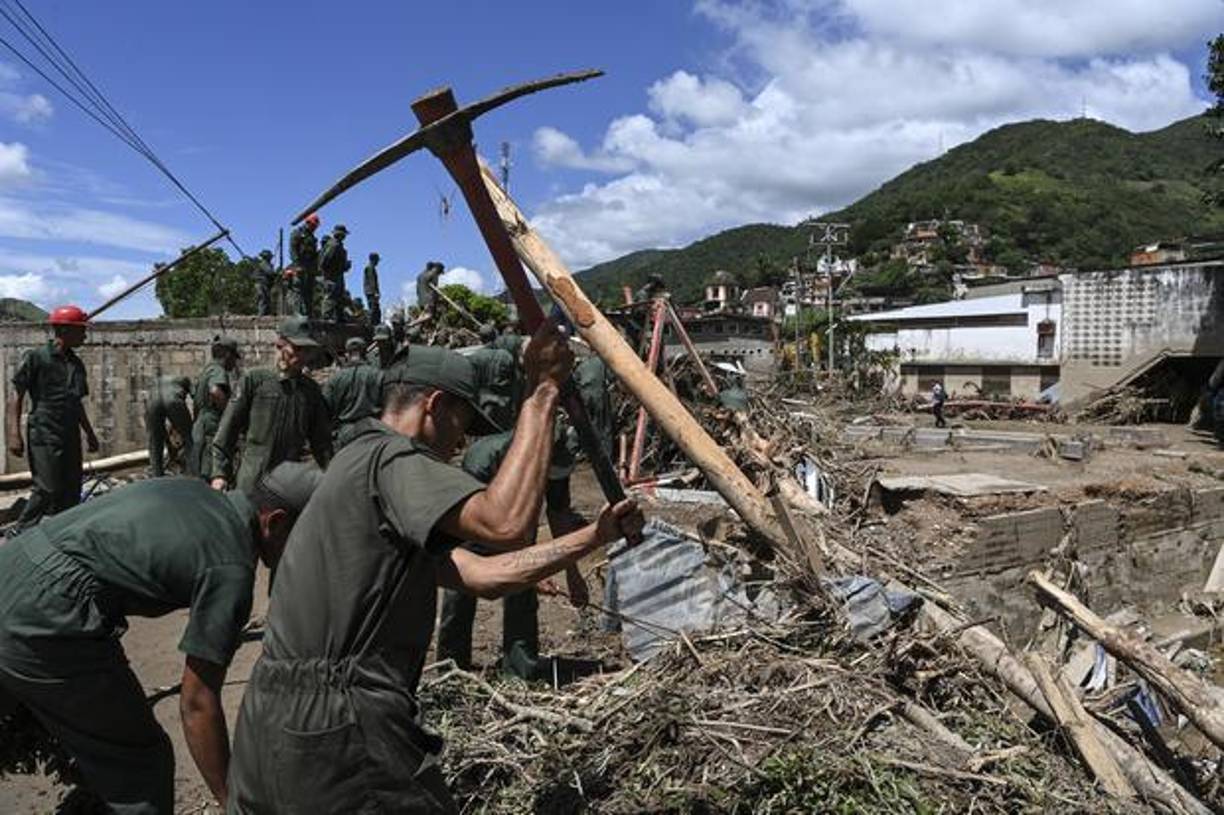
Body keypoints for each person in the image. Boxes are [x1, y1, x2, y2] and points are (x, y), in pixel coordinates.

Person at [226, 326, 645, 813]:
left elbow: (484, 576)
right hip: (338, 726)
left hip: (267, 724)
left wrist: (594, 536)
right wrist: (543, 392)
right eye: (461, 425)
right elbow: (506, 522)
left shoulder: (355, 470)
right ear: (434, 406)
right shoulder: (391, 457)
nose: (458, 446)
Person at [0, 463, 321, 814]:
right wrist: (233, 802)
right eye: (308, 538)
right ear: (274, 522)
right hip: (47, 617)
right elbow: (197, 702)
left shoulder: (194, 491)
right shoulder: (231, 568)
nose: (308, 553)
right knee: (141, 764)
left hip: (13, 569)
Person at [210, 316, 333, 495]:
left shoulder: (310, 391)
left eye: (306, 350)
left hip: (287, 485)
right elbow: (228, 430)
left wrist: (333, 476)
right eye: (297, 349)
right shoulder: (255, 380)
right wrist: (219, 475)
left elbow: (322, 444)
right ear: (280, 345)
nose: (302, 356)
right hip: (252, 480)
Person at [5, 305, 99, 529]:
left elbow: (76, 403)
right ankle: (21, 531)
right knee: (47, 487)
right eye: (81, 330)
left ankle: (62, 534)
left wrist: (90, 434)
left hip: (69, 432)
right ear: (65, 331)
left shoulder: (76, 364)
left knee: (71, 487)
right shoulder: (37, 358)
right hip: (45, 431)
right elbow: (16, 396)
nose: (85, 335)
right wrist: (13, 434)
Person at [192, 337, 241, 483]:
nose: (234, 362)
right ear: (227, 354)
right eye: (234, 357)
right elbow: (214, 390)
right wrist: (229, 413)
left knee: (202, 468)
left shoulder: (207, 369)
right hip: (211, 423)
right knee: (213, 470)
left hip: (202, 423)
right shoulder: (218, 370)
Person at [323, 337, 383, 449]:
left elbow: (324, 410)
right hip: (373, 432)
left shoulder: (335, 379)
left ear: (347, 354)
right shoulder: (379, 375)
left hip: (345, 435)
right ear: (365, 353)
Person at [146, 374, 194, 477]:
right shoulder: (187, 380)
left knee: (155, 441)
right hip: (173, 400)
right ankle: (192, 474)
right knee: (190, 438)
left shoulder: (157, 381)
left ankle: (156, 475)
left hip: (153, 401)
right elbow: (197, 398)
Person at [287, 213, 320, 318]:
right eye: (313, 225)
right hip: (300, 265)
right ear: (307, 223)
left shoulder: (312, 237)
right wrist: (297, 265)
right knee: (298, 289)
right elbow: (293, 250)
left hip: (310, 267)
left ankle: (309, 314)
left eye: (316, 226)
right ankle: (298, 313)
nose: (315, 228)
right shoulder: (297, 233)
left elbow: (314, 254)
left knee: (309, 291)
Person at [319, 224, 351, 322]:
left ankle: (339, 317)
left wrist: (345, 266)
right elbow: (325, 261)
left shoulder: (338, 245)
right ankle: (326, 317)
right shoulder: (334, 245)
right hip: (332, 276)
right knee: (330, 296)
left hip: (338, 275)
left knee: (339, 297)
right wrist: (329, 272)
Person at [253, 250, 277, 317]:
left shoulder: (267, 264)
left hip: (265, 284)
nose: (271, 258)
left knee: (266, 298)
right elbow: (270, 272)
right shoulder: (264, 264)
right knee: (263, 298)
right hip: (261, 284)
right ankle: (261, 314)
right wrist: (276, 273)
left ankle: (266, 313)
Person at [364, 252, 382, 326]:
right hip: (371, 292)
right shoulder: (370, 268)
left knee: (375, 309)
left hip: (371, 291)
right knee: (373, 309)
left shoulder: (371, 267)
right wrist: (375, 292)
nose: (378, 262)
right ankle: (370, 324)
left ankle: (374, 323)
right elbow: (372, 281)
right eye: (377, 260)